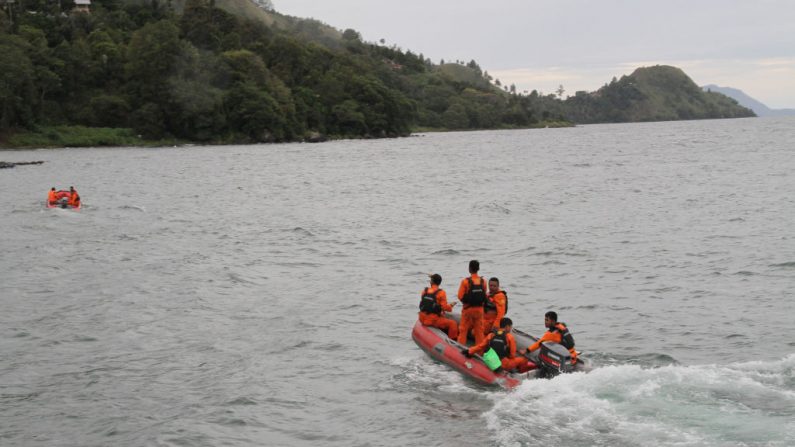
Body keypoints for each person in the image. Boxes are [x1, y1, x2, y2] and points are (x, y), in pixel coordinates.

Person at [465, 318, 534, 373]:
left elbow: (480, 346)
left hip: (491, 361)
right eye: (510, 327)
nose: (510, 329)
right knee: (524, 360)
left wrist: (469, 351)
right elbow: (512, 355)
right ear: (507, 327)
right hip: (503, 363)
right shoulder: (509, 337)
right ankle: (518, 374)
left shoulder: (491, 335)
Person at [418, 273, 458, 339]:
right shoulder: (441, 293)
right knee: (453, 324)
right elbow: (445, 308)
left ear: (432, 281)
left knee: (441, 315)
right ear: (439, 283)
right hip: (432, 320)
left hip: (422, 318)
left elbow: (427, 305)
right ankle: (453, 342)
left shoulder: (424, 291)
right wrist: (451, 305)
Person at [457, 259, 487, 345]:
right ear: (478, 269)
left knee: (463, 329)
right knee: (479, 331)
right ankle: (480, 350)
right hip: (479, 310)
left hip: (468, 309)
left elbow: (460, 296)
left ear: (469, 269)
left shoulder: (465, 281)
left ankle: (460, 347)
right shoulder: (483, 281)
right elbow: (484, 294)